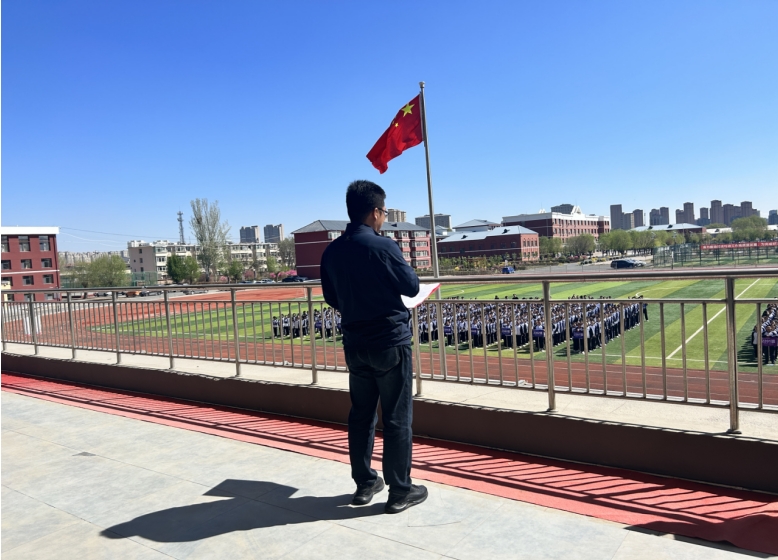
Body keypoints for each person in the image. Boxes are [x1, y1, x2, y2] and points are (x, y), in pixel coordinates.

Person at [321, 180, 427, 514]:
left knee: (361, 415)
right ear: (375, 212)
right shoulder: (383, 246)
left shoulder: (332, 251)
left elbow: (332, 298)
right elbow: (411, 287)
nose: (383, 218)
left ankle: (365, 483)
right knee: (396, 418)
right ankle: (400, 491)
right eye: (383, 213)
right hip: (389, 342)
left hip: (355, 343)